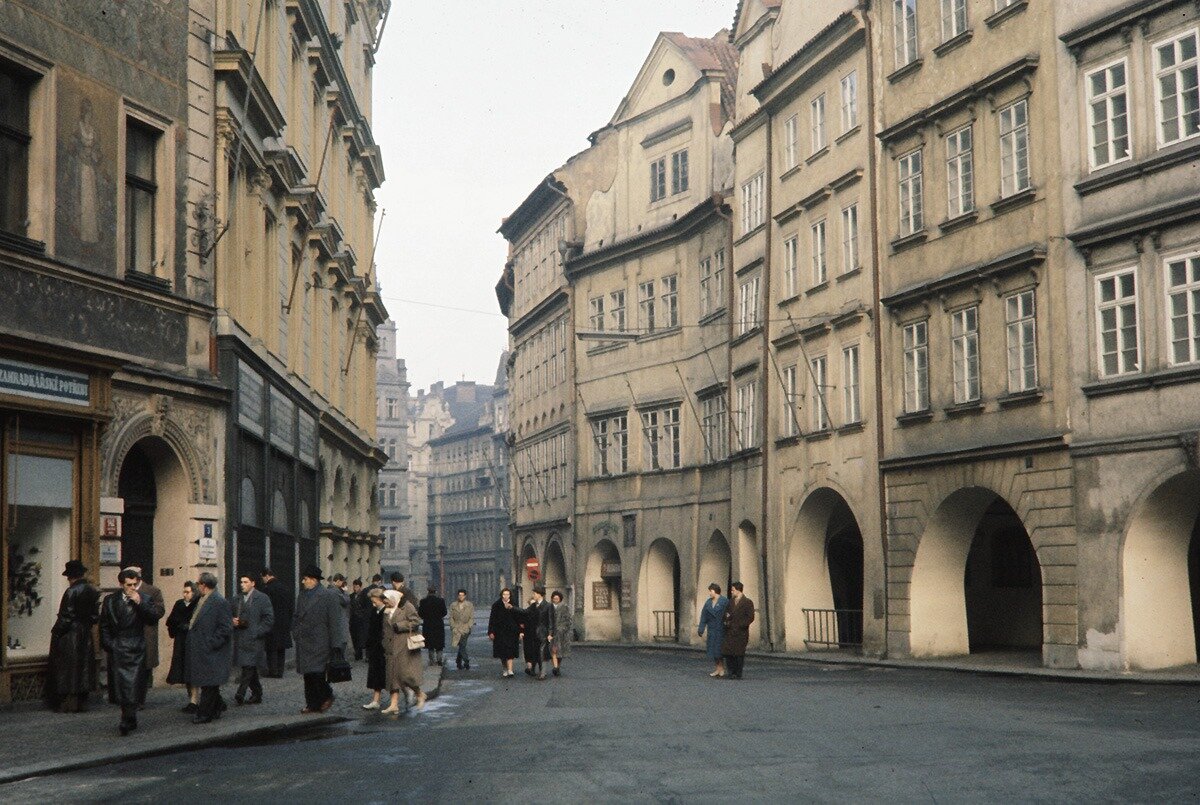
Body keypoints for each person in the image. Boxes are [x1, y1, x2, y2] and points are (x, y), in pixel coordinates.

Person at [99, 568, 164, 735]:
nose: (133, 588)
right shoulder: (110, 600)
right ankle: (128, 716)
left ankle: (127, 719)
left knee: (133, 686)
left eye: (135, 584)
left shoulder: (145, 598)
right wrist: (109, 645)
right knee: (120, 686)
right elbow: (104, 625)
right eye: (129, 585)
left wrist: (139, 602)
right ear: (121, 584)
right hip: (118, 646)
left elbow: (153, 618)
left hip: (135, 646)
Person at [293, 565, 350, 714]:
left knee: (317, 673)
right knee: (308, 674)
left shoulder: (328, 596)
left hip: (320, 641)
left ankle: (327, 695)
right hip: (304, 641)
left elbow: (334, 622)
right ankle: (312, 703)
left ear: (314, 580)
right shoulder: (302, 595)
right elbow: (297, 616)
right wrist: (296, 631)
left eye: (305, 579)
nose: (303, 582)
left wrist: (336, 644)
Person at [47, 560, 100, 713]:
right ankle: (81, 703)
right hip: (85, 633)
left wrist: (56, 631)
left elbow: (67, 616)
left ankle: (68, 704)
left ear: (70, 577)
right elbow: (95, 616)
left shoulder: (71, 591)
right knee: (82, 666)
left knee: (67, 667)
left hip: (70, 634)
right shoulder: (92, 590)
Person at [185, 572, 233, 724]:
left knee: (208, 684)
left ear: (203, 585)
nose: (197, 586)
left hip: (211, 650)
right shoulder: (202, 599)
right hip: (201, 649)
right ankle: (217, 707)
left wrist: (211, 643)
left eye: (198, 584)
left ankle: (204, 714)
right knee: (208, 682)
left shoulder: (219, 602)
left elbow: (225, 627)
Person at [123, 565, 165, 705]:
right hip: (129, 636)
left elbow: (159, 612)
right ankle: (130, 699)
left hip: (146, 634)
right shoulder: (124, 590)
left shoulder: (152, 591)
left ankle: (140, 700)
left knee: (143, 669)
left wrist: (140, 602)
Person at [381, 589, 426, 713]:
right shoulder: (386, 610)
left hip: (404, 645)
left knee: (405, 675)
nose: (386, 604)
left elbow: (416, 621)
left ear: (394, 599)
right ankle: (394, 704)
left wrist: (400, 626)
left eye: (387, 602)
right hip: (390, 647)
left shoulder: (407, 606)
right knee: (393, 676)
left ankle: (419, 693)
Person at [232, 573, 274, 705]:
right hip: (241, 638)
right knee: (249, 666)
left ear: (253, 583)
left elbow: (269, 618)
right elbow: (230, 614)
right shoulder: (237, 599)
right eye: (241, 582)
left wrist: (258, 631)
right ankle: (257, 693)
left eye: (245, 582)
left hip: (255, 640)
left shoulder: (262, 598)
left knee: (248, 666)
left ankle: (241, 692)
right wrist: (233, 621)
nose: (242, 585)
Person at [165, 580, 200, 713]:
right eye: (184, 592)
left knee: (193, 670)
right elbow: (171, 621)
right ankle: (192, 699)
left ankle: (195, 700)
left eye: (187, 592)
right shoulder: (179, 604)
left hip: (192, 642)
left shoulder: (197, 604)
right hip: (180, 641)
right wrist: (178, 625)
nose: (185, 595)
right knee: (184, 670)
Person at [259, 568, 293, 678]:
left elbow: (264, 608)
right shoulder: (284, 587)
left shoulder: (267, 589)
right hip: (283, 622)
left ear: (266, 576)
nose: (262, 580)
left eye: (262, 578)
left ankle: (272, 671)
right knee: (281, 648)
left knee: (271, 648)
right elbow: (290, 606)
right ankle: (280, 671)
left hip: (272, 622)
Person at [720, 581, 755, 680]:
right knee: (728, 653)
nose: (731, 592)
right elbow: (725, 614)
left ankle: (738, 672)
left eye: (733, 590)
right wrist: (726, 621)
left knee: (739, 653)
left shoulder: (747, 602)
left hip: (741, 632)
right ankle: (731, 671)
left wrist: (741, 625)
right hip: (730, 631)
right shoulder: (731, 601)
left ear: (738, 590)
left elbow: (750, 617)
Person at [361, 588, 388, 709]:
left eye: (375, 601)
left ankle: (409, 693)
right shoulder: (374, 611)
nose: (373, 604)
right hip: (374, 648)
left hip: (384, 648)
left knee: (391, 675)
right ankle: (376, 700)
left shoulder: (386, 612)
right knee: (376, 675)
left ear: (381, 600)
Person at [521, 586, 555, 680]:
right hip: (534, 633)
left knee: (542, 652)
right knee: (536, 651)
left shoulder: (548, 605)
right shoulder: (533, 605)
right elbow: (525, 612)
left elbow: (551, 620)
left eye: (535, 594)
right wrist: (513, 608)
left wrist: (550, 633)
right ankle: (536, 669)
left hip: (543, 632)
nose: (533, 595)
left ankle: (543, 673)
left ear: (540, 595)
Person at [487, 588, 520, 678]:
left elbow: (519, 617)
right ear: (502, 595)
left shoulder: (514, 604)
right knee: (502, 652)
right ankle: (504, 668)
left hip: (512, 631)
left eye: (507, 594)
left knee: (510, 651)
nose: (506, 596)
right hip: (499, 632)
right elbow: (492, 619)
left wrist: (520, 631)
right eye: (504, 594)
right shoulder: (496, 605)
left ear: (510, 595)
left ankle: (510, 670)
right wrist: (491, 632)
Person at [698, 583, 729, 678]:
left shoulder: (724, 601)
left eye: (710, 591)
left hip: (721, 628)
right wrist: (701, 628)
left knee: (719, 650)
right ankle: (717, 668)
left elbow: (729, 613)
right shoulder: (708, 602)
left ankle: (722, 668)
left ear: (715, 591)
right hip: (712, 629)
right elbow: (704, 616)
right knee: (712, 650)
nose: (709, 593)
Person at [417, 586, 448, 666]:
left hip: (428, 624)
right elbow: (444, 612)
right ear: (435, 592)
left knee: (430, 644)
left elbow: (420, 613)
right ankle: (439, 659)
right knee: (439, 643)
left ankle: (432, 660)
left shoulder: (423, 601)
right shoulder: (441, 601)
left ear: (428, 592)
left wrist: (426, 617)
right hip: (438, 624)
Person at [448, 589, 474, 670]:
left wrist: (469, 626)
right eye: (459, 595)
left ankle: (466, 661)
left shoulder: (469, 605)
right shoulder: (453, 605)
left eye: (462, 595)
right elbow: (451, 617)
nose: (461, 597)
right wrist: (453, 627)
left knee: (462, 645)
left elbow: (471, 617)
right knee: (461, 645)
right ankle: (459, 661)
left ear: (465, 596)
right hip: (456, 628)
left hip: (466, 628)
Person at [549, 591, 572, 677]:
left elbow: (568, 619)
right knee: (553, 650)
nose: (555, 600)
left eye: (557, 598)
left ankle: (558, 666)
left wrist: (563, 628)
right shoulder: (550, 607)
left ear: (560, 599)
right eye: (554, 598)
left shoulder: (564, 607)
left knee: (560, 651)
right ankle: (555, 667)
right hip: (552, 632)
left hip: (562, 633)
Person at [349, 578, 369, 661]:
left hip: (361, 620)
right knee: (354, 637)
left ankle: (361, 654)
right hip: (353, 620)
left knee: (361, 637)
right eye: (354, 587)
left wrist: (363, 615)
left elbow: (366, 608)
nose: (355, 589)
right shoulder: (351, 596)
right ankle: (357, 653)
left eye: (357, 587)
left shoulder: (364, 596)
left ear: (360, 587)